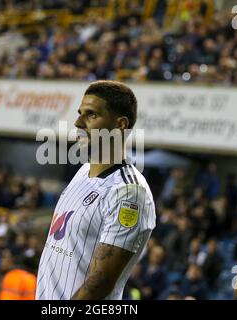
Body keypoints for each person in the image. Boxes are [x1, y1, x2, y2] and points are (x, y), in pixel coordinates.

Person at [36, 80, 156, 300]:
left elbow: (99, 284)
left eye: (91, 115)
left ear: (120, 124)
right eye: (80, 113)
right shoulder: (83, 172)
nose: (78, 122)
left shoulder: (129, 193)